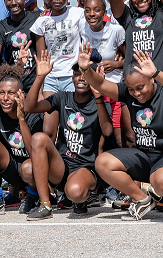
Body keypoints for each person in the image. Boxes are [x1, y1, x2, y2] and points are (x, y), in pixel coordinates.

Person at [85, 49, 163, 221]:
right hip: (144, 154)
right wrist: (86, 70)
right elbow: (101, 85)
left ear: (151, 79)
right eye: (131, 89)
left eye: (140, 87)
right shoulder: (128, 93)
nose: (136, 93)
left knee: (162, 182)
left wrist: (157, 73)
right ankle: (142, 200)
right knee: (102, 163)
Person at [22, 48, 113, 220]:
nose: (81, 78)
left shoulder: (99, 103)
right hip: (62, 166)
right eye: (77, 74)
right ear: (72, 78)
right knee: (38, 140)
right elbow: (29, 107)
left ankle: (84, 198)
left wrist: (99, 96)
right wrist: (40, 77)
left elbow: (108, 131)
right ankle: (45, 205)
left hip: (86, 167)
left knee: (75, 192)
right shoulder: (62, 97)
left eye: (86, 74)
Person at [0, 65, 44, 217]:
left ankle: (33, 195)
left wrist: (21, 117)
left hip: (33, 171)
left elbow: (34, 153)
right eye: (1, 93)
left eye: (11, 93)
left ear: (21, 94)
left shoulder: (33, 114)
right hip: (11, 169)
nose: (5, 98)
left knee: (28, 167)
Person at [79, 0, 125, 147]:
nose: (92, 14)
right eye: (87, 10)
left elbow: (131, 59)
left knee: (118, 138)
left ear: (105, 13)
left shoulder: (116, 31)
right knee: (97, 137)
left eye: (97, 10)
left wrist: (116, 63)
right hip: (92, 90)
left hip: (113, 89)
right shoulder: (82, 27)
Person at [30, 0, 85, 95]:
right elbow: (41, 57)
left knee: (72, 113)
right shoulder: (41, 21)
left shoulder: (78, 14)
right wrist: (39, 91)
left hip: (73, 77)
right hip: (50, 78)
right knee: (49, 113)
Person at [0, 0, 40, 94]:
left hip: (36, 84)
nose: (13, 3)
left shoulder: (37, 18)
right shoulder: (1, 26)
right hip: (15, 84)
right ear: (4, 1)